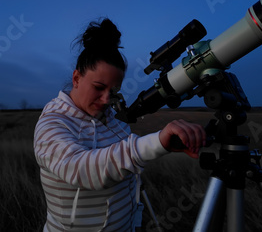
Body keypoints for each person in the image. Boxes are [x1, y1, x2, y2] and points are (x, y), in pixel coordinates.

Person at [34, 18, 206, 231]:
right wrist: (155, 143)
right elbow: (80, 169)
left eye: (113, 91)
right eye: (98, 87)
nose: (107, 100)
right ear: (76, 78)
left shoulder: (112, 119)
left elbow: (126, 177)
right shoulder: (52, 124)